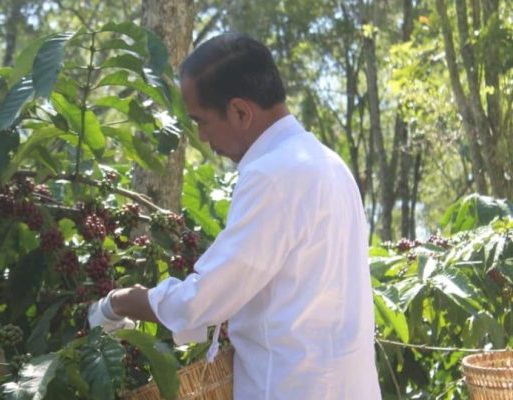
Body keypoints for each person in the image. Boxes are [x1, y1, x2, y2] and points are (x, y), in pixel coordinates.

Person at [88, 33, 381, 399]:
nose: (201, 136)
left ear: (241, 111)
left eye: (202, 121)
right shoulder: (327, 163)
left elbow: (204, 300)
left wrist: (119, 302)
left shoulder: (272, 175)